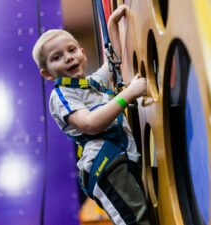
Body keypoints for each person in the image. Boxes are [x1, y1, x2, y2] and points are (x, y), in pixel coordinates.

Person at [32, 5, 150, 225]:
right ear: (47, 73)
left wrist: (112, 24)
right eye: (57, 57)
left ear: (82, 54)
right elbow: (90, 124)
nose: (68, 58)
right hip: (105, 165)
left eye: (71, 50)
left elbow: (112, 61)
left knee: (142, 214)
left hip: (122, 156)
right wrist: (129, 94)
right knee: (136, 220)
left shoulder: (92, 84)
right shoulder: (62, 95)